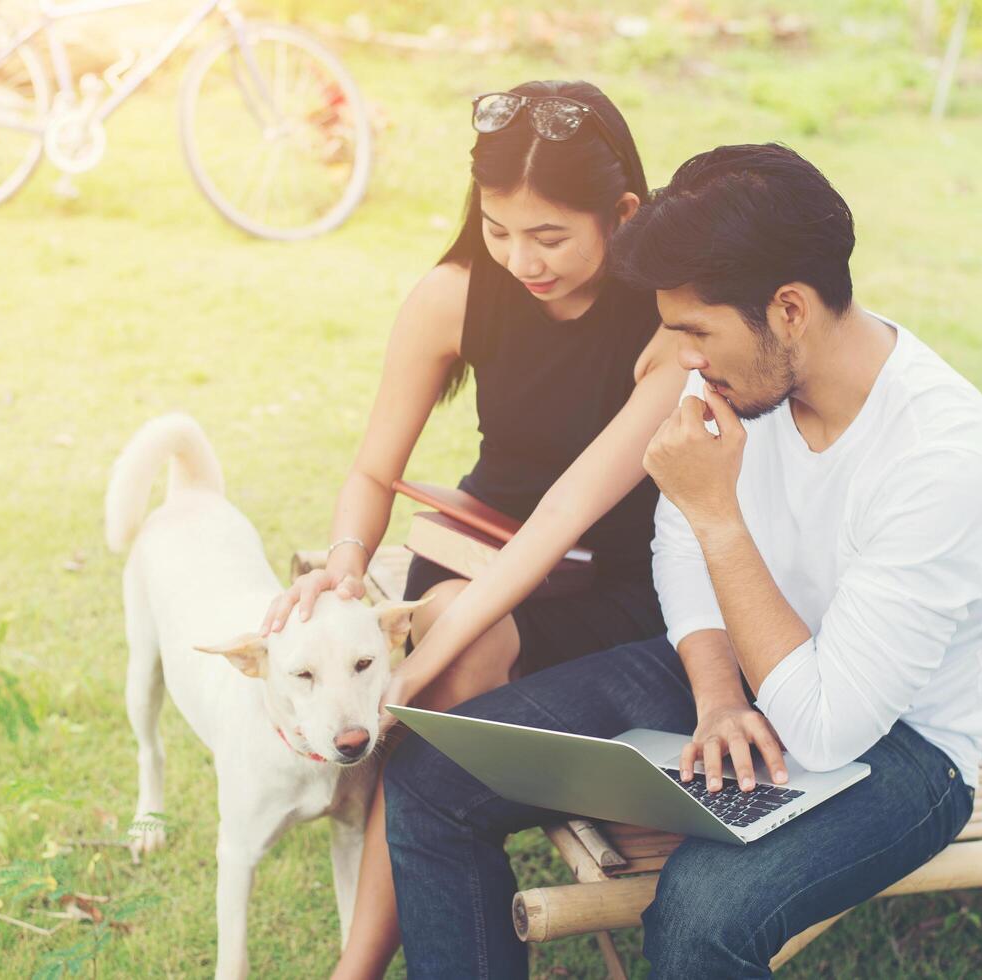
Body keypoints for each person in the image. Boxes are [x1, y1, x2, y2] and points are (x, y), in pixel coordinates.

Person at [383, 142, 982, 978]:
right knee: (437, 776)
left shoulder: (941, 462)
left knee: (699, 912)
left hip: (903, 745)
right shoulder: (740, 377)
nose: (681, 359)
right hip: (740, 663)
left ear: (789, 310)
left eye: (695, 330)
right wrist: (716, 693)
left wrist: (718, 514)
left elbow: (827, 725)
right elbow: (678, 540)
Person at [260, 81, 690, 979]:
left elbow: (569, 512)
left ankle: (358, 966)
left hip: (612, 585)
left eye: (548, 236)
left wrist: (417, 660)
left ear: (622, 213)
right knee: (456, 641)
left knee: (450, 651)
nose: (520, 259)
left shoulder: (666, 326)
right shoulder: (453, 294)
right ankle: (366, 961)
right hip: (479, 551)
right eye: (497, 229)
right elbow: (373, 469)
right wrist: (345, 569)